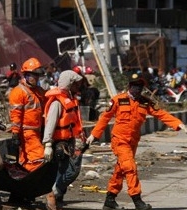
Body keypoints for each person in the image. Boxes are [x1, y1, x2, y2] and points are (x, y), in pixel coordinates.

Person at [85, 72, 187, 210]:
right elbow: (105, 117)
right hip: (120, 140)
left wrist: (178, 124)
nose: (137, 89)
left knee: (121, 170)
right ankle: (137, 200)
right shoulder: (118, 100)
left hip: (133, 142)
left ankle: (110, 199)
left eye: (139, 86)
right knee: (130, 167)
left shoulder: (145, 102)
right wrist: (94, 135)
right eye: (134, 86)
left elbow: (161, 113)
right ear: (129, 86)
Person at [42, 70, 85, 210]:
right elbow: (50, 124)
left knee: (63, 171)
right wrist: (48, 144)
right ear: (69, 84)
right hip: (59, 144)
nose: (78, 86)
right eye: (76, 83)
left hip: (69, 141)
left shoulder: (70, 99)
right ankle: (53, 193)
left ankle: (57, 198)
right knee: (71, 171)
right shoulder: (57, 103)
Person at [8, 57, 46, 173]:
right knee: (37, 158)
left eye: (37, 76)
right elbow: (16, 115)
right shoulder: (18, 92)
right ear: (26, 75)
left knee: (26, 159)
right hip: (26, 132)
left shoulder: (39, 91)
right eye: (34, 75)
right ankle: (31, 181)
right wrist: (15, 133)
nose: (36, 78)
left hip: (38, 131)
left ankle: (24, 181)